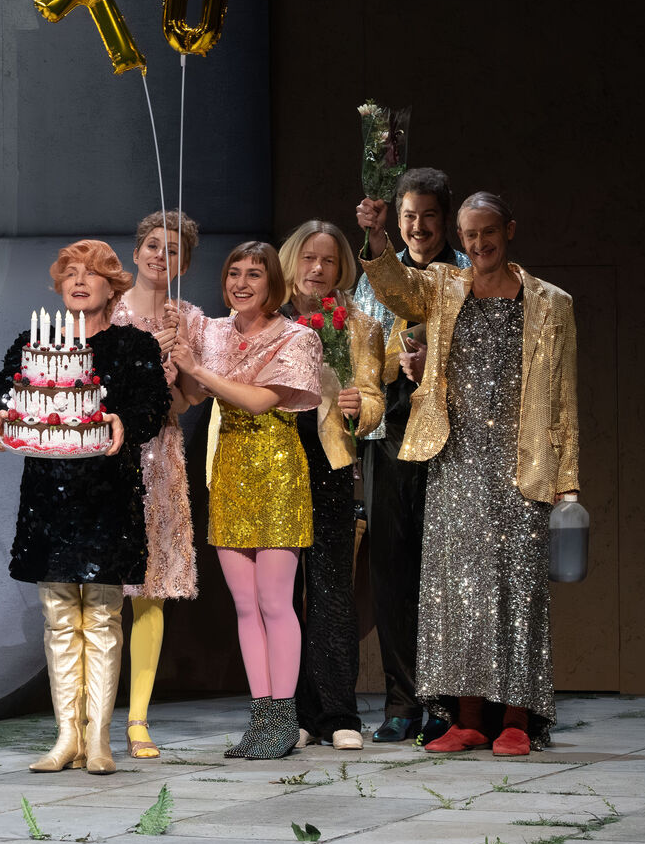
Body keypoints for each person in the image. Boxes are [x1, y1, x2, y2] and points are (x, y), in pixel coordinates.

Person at [356, 191, 578, 756]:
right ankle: (469, 718)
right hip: (456, 460)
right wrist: (378, 238)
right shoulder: (444, 286)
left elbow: (563, 398)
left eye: (488, 232)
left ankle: (517, 720)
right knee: (457, 592)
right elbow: (395, 289)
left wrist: (567, 479)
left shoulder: (551, 302)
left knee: (517, 590)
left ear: (509, 230)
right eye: (471, 235)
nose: (480, 244)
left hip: (521, 463)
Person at [0, 240, 170, 775]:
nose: (80, 281)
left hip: (108, 493)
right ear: (59, 286)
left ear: (114, 286)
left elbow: (153, 404)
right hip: (49, 495)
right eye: (70, 273)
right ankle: (67, 735)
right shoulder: (34, 345)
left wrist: (122, 420)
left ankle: (100, 738)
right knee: (59, 616)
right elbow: (1, 390)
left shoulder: (133, 345)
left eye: (92, 273)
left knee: (104, 615)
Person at [171, 242, 322, 759]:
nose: (241, 283)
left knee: (275, 601)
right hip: (230, 469)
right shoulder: (213, 333)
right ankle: (261, 717)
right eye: (233, 273)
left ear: (273, 283)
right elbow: (193, 395)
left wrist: (198, 370)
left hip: (277, 471)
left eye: (253, 274)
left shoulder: (297, 337)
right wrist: (175, 366)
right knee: (243, 604)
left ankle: (284, 717)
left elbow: (260, 401)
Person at [351, 168, 470, 745]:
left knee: (444, 572)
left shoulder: (468, 274)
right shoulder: (376, 276)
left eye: (428, 216)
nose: (418, 227)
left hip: (453, 440)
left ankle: (444, 700)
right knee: (392, 570)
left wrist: (438, 370)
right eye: (408, 217)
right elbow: (360, 353)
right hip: (388, 435)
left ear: (446, 219)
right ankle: (401, 700)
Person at [276, 222, 384, 751]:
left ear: (342, 269)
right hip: (272, 465)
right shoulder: (267, 319)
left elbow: (375, 399)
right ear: (291, 261)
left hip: (331, 464)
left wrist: (361, 407)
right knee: (280, 595)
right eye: (308, 258)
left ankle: (340, 713)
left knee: (331, 591)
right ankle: (295, 713)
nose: (317, 269)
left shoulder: (357, 325)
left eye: (329, 261)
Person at [109, 210, 203, 760]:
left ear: (183, 264)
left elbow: (190, 398)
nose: (158, 256)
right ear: (136, 251)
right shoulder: (107, 309)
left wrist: (178, 362)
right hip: (110, 453)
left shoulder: (187, 317)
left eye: (172, 250)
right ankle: (89, 714)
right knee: (103, 591)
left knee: (151, 590)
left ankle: (138, 719)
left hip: (161, 453)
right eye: (151, 245)